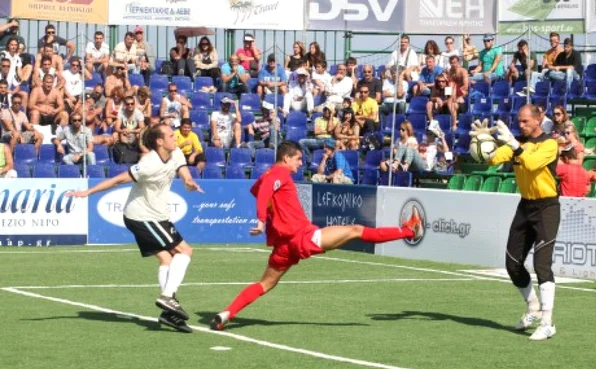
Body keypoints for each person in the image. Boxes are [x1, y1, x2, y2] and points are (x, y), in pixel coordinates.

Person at [210, 141, 422, 330]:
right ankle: (409, 230)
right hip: (302, 238)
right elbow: (265, 191)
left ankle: (226, 314)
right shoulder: (279, 174)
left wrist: (269, 213)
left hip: (283, 247)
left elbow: (259, 190)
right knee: (356, 230)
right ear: (286, 158)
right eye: (298, 159)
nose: (301, 164)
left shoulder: (268, 176)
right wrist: (261, 220)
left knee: (264, 284)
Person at [67, 123, 203, 333]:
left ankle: (168, 313)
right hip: (143, 216)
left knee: (167, 259)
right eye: (169, 135)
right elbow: (118, 179)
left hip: (155, 216)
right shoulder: (149, 163)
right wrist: (88, 192)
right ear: (159, 141)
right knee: (185, 251)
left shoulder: (175, 152)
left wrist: (189, 181)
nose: (174, 137)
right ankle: (167, 297)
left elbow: (183, 170)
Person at [470, 105, 560, 341]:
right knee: (512, 263)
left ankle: (548, 321)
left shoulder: (549, 143)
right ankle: (532, 307)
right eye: (519, 121)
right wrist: (483, 141)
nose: (521, 125)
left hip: (547, 208)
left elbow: (531, 163)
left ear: (539, 119)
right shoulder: (516, 143)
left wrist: (513, 143)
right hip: (525, 206)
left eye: (525, 121)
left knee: (542, 265)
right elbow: (491, 160)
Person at [113, 94, 145, 164]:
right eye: (128, 104)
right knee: (116, 135)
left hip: (134, 133)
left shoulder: (138, 113)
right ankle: (121, 156)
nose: (130, 105)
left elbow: (142, 128)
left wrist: (131, 131)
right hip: (124, 133)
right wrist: (123, 130)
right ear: (125, 105)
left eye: (132, 103)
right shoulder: (121, 112)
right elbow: (117, 127)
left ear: (134, 104)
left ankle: (137, 154)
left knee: (139, 135)